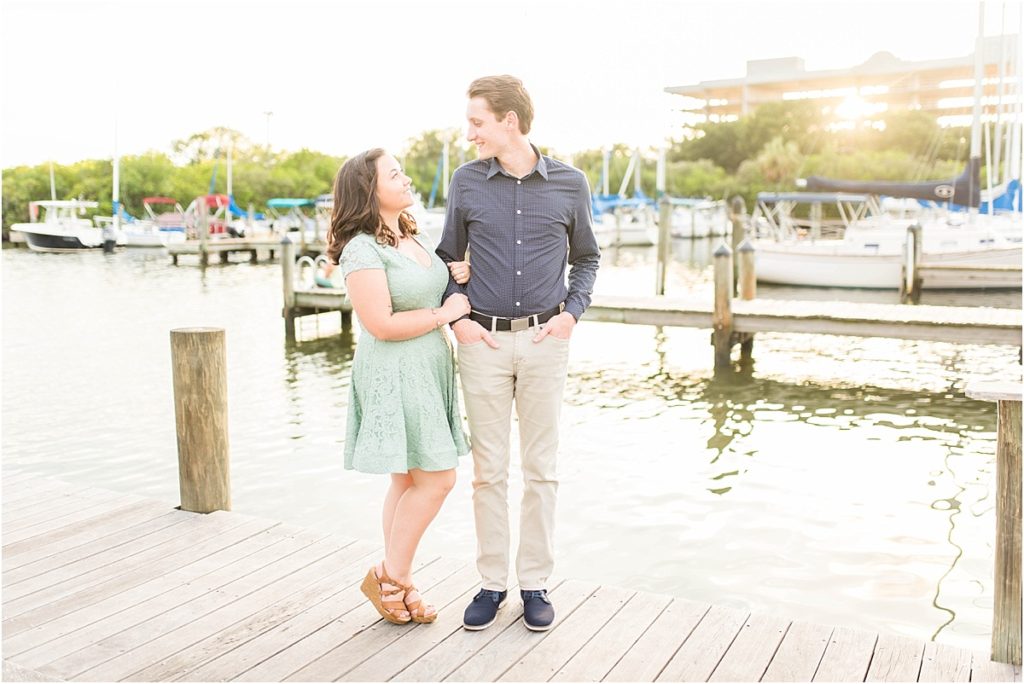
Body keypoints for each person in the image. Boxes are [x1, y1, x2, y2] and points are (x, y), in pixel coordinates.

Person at [436, 75, 600, 632]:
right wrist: (458, 317)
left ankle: (534, 583)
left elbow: (588, 260)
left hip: (543, 341)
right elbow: (446, 257)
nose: (470, 133)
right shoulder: (466, 182)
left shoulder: (570, 183)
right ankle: (491, 583)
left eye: (477, 122)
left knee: (541, 470)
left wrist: (570, 316)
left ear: (509, 120)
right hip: (480, 342)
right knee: (488, 474)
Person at [328, 148, 472, 625]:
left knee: (408, 479)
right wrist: (444, 314)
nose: (406, 178)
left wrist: (457, 276)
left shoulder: (413, 233)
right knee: (438, 479)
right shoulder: (361, 249)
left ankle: (395, 579)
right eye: (395, 173)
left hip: (429, 365)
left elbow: (432, 283)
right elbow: (381, 324)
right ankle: (394, 577)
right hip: (393, 369)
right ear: (370, 191)